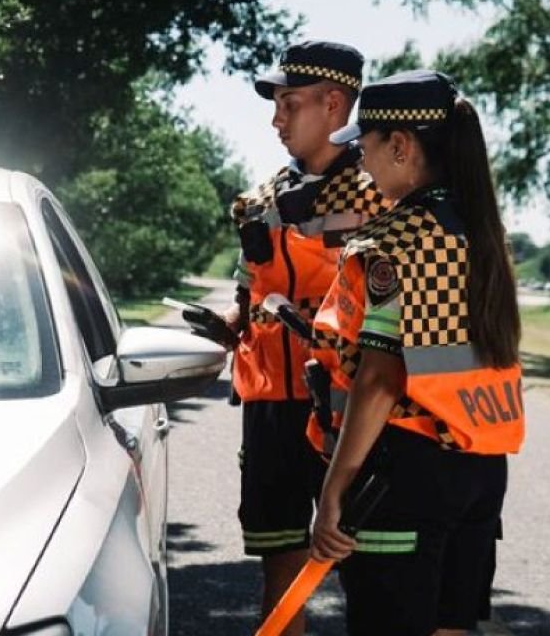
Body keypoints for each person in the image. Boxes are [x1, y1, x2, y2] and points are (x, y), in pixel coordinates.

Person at [310, 69, 526, 636]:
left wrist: (334, 489)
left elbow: (380, 380)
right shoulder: (481, 234)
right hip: (480, 471)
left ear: (400, 145)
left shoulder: (393, 241)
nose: (359, 162)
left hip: (403, 474)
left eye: (362, 146)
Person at [223, 40, 389, 636]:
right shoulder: (261, 198)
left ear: (335, 105)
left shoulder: (385, 197)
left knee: (374, 582)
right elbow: (248, 294)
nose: (276, 119)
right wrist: (231, 326)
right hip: (272, 411)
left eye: (290, 104)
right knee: (282, 576)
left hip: (353, 410)